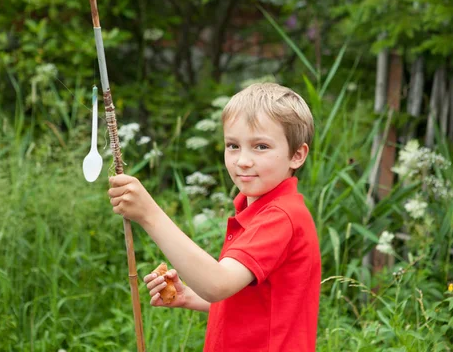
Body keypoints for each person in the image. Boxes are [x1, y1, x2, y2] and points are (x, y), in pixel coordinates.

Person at [108, 82, 321, 351]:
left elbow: (217, 284)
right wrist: (190, 296)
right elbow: (256, 303)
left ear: (297, 155)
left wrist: (149, 214)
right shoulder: (258, 211)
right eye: (233, 145)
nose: (242, 160)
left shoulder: (280, 216)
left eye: (261, 147)